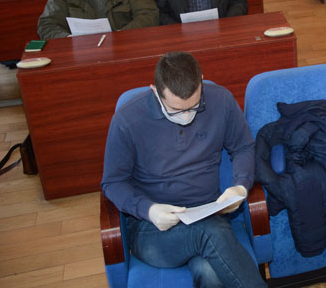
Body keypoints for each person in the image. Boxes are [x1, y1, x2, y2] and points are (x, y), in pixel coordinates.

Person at [102, 52, 267, 288]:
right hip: (152, 229)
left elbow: (243, 146)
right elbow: (113, 182)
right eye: (176, 110)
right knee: (208, 233)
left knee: (210, 274)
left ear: (201, 81)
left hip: (208, 213)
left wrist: (240, 186)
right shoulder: (127, 120)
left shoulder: (221, 100)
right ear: (155, 92)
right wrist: (148, 210)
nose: (187, 116)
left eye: (195, 106)